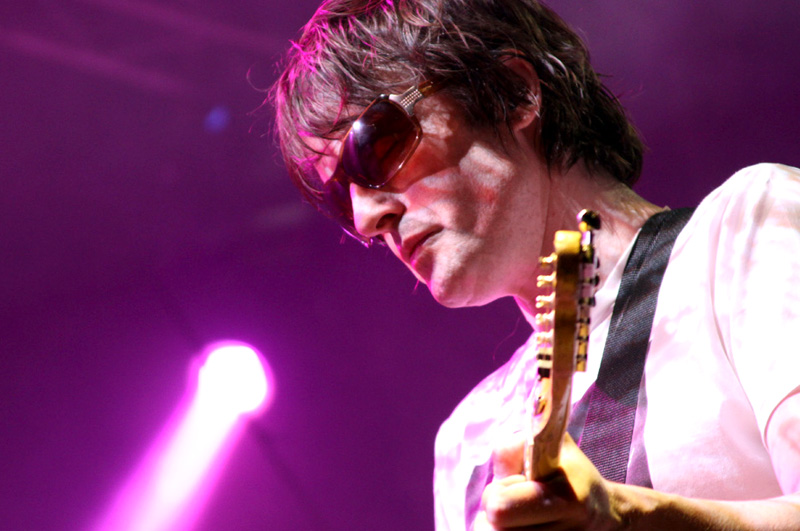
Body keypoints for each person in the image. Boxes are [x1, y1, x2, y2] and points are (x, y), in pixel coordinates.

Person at [268, 0, 800, 528]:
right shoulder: (469, 442)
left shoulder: (742, 231)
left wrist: (622, 518)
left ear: (512, 93)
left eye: (374, 146)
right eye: (340, 194)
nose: (367, 217)